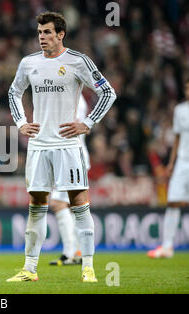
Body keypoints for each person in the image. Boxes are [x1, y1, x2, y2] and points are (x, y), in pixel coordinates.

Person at [6, 12, 116, 283]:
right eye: (39, 32)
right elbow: (13, 92)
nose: (41, 37)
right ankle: (29, 269)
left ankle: (88, 267)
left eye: (46, 32)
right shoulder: (29, 63)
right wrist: (21, 122)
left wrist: (88, 123)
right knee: (37, 205)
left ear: (60, 34)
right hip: (39, 145)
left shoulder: (78, 61)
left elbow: (108, 92)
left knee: (79, 204)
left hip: (68, 144)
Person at [148, 79, 189, 258]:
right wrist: (172, 163)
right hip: (182, 160)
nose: (188, 90)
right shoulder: (180, 110)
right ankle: (167, 247)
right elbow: (178, 138)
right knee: (172, 201)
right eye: (186, 87)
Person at [49, 94, 90, 266]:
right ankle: (79, 252)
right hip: (71, 157)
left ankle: (71, 252)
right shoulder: (75, 98)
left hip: (71, 157)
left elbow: (71, 129)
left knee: (59, 203)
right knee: (74, 206)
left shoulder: (73, 99)